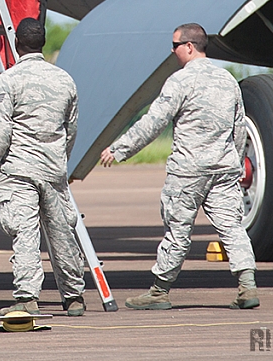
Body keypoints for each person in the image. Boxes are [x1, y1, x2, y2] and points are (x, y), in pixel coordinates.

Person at [100, 23, 259, 310]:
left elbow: (154, 122)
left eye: (174, 46)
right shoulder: (228, 80)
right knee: (232, 228)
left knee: (178, 230)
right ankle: (247, 287)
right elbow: (239, 129)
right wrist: (233, 164)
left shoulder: (179, 81)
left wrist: (120, 149)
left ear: (189, 46)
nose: (171, 52)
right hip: (223, 170)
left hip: (188, 170)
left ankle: (159, 293)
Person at [0, 17, 86, 317]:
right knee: (61, 232)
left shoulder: (9, 80)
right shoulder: (64, 80)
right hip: (53, 168)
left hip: (18, 170)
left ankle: (27, 297)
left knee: (25, 233)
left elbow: (0, 132)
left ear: (18, 43)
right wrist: (59, 158)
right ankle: (74, 296)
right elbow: (71, 129)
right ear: (42, 42)